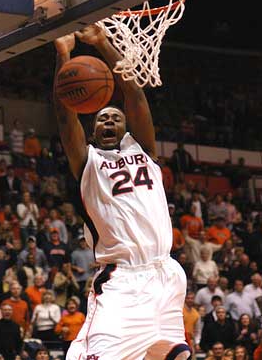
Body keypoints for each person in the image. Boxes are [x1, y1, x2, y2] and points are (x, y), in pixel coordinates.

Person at [54, 25, 191, 360]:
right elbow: (63, 117)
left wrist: (104, 43)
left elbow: (136, 97)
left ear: (126, 126)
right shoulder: (88, 162)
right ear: (93, 128)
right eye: (102, 119)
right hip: (123, 280)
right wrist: (64, 56)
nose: (110, 122)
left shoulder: (143, 150)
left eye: (116, 118)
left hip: (167, 273)